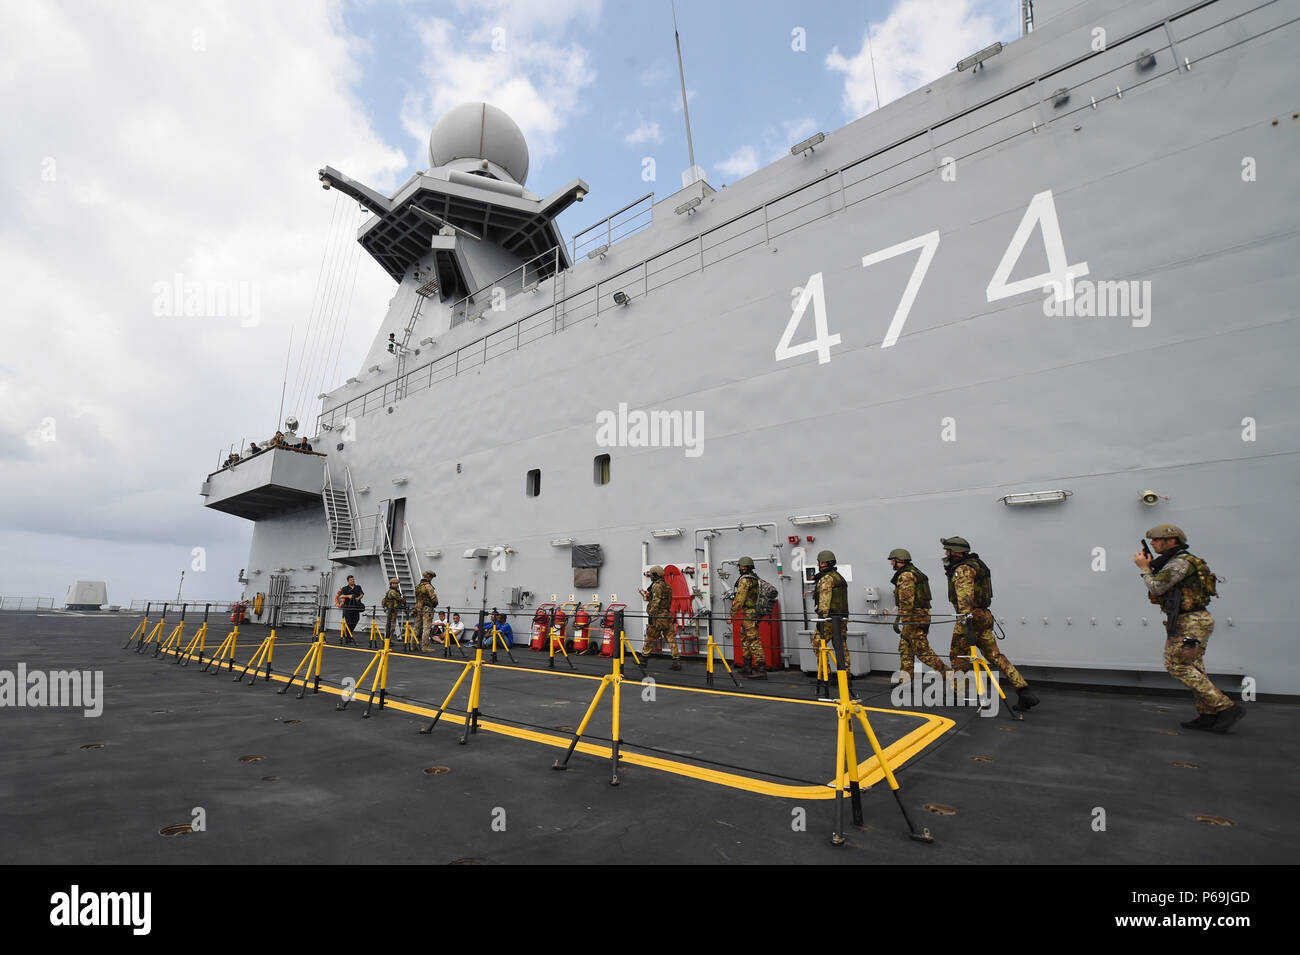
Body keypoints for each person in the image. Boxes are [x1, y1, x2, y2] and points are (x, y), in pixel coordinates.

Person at [1135, 525, 1242, 732]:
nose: (1154, 544)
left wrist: (1144, 568)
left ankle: (1226, 707)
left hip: (1190, 622)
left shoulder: (1180, 563)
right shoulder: (1178, 561)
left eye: (1157, 540)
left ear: (1172, 541)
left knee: (1177, 665)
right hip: (1191, 621)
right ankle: (1208, 714)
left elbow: (1157, 587)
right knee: (1194, 667)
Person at [942, 537, 1038, 712]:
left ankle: (958, 693)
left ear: (955, 552)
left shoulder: (963, 569)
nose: (945, 554)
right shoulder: (977, 564)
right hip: (984, 615)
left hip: (970, 618)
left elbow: (964, 598)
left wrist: (965, 622)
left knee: (957, 655)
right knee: (995, 656)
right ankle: (1024, 691)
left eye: (947, 550)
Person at [888, 548, 947, 680]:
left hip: (914, 618)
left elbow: (906, 601)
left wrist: (904, 620)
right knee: (905, 649)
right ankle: (905, 680)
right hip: (915, 617)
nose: (892, 564)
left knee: (922, 652)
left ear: (900, 560)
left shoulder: (906, 575)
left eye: (893, 561)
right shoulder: (914, 572)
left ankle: (951, 676)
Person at [813, 550, 851, 676]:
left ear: (822, 563)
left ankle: (825, 675)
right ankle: (845, 675)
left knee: (817, 644)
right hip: (842, 618)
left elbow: (825, 601)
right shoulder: (838, 576)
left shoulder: (827, 578)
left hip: (829, 619)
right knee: (841, 646)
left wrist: (821, 621)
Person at [731, 557, 766, 679]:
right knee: (745, 638)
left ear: (744, 567)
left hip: (750, 614)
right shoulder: (754, 577)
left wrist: (732, 614)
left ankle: (761, 670)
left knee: (754, 640)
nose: (740, 568)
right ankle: (747, 667)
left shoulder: (745, 580)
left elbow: (739, 599)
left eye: (740, 566)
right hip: (750, 613)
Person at [639, 565, 679, 669]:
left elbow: (656, 602)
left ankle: (643, 660)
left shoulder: (656, 586)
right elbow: (666, 601)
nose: (650, 576)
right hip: (667, 615)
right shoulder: (667, 586)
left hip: (657, 617)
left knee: (650, 637)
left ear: (655, 575)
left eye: (652, 575)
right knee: (671, 638)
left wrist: (651, 614)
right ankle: (676, 662)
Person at [335, 574, 363, 645]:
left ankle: (346, 634)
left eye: (353, 579)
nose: (352, 580)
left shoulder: (358, 587)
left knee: (356, 620)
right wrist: (349, 596)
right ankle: (348, 638)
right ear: (348, 581)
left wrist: (358, 598)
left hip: (356, 607)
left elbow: (362, 594)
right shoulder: (345, 588)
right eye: (351, 580)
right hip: (348, 607)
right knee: (349, 622)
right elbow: (341, 596)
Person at [414, 571, 438, 649]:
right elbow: (433, 598)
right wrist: (435, 603)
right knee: (426, 628)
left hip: (418, 608)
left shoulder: (418, 586)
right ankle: (425, 647)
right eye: (431, 577)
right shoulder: (428, 586)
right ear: (429, 577)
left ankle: (413, 646)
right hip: (427, 609)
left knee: (416, 627)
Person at [381, 577, 405, 644]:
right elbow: (399, 598)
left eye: (397, 583)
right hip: (391, 610)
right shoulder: (392, 592)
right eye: (396, 583)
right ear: (392, 584)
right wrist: (403, 599)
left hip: (393, 610)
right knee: (390, 626)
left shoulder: (394, 591)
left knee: (391, 626)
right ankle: (386, 640)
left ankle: (388, 640)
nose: (397, 585)